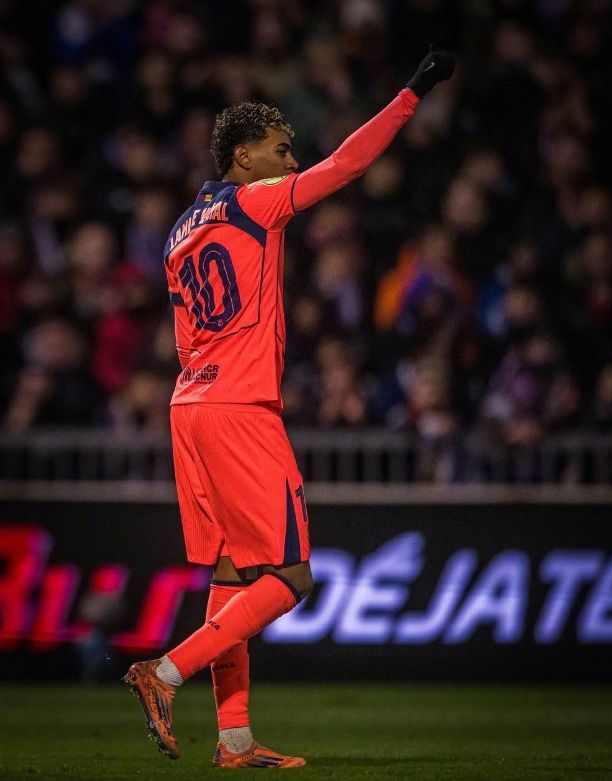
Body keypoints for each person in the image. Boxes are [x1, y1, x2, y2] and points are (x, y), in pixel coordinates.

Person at [122, 44, 455, 769]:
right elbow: (347, 165)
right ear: (242, 157)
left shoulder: (180, 230)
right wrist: (412, 92)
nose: (290, 159)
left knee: (231, 576)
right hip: (240, 406)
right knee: (292, 576)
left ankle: (235, 739)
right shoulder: (254, 201)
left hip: (190, 403)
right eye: (279, 149)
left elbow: (184, 334)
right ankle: (166, 672)